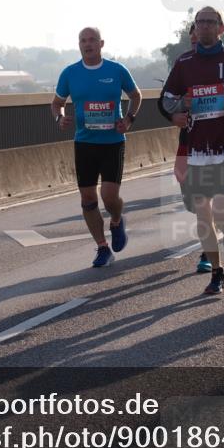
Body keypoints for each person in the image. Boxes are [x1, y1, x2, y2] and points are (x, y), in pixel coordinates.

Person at [161, 6, 224, 295]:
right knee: (202, 215)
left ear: (221, 28)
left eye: (210, 22)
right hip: (198, 150)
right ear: (195, 28)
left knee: (220, 209)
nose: (205, 26)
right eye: (200, 22)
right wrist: (178, 110)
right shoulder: (184, 63)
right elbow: (167, 99)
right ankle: (217, 273)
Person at [52, 26, 142, 268]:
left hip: (113, 142)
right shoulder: (70, 73)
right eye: (83, 40)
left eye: (92, 40)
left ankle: (117, 220)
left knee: (109, 196)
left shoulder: (116, 70)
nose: (88, 44)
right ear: (79, 45)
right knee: (88, 198)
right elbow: (57, 103)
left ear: (101, 44)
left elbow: (136, 96)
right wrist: (60, 118)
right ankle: (102, 247)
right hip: (84, 142)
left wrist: (129, 119)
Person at [159, 25, 211, 273]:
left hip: (217, 142)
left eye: (198, 38)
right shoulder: (184, 65)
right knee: (188, 192)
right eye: (192, 40)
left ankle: (208, 252)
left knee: (205, 200)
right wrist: (175, 114)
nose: (195, 42)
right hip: (188, 139)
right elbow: (163, 102)